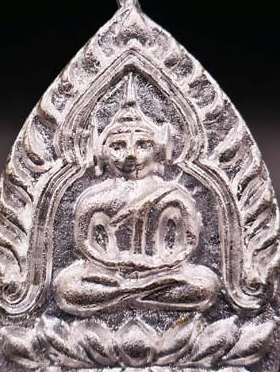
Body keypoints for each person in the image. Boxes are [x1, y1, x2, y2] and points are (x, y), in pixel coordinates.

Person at [54, 76, 219, 316]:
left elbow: (188, 244)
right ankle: (139, 294)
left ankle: (127, 295)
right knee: (66, 287)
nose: (130, 155)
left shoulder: (174, 196)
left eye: (142, 145)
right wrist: (114, 264)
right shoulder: (93, 199)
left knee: (206, 284)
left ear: (160, 149)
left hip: (162, 273)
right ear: (101, 151)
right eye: (118, 146)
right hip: (109, 275)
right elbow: (85, 244)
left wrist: (159, 265)